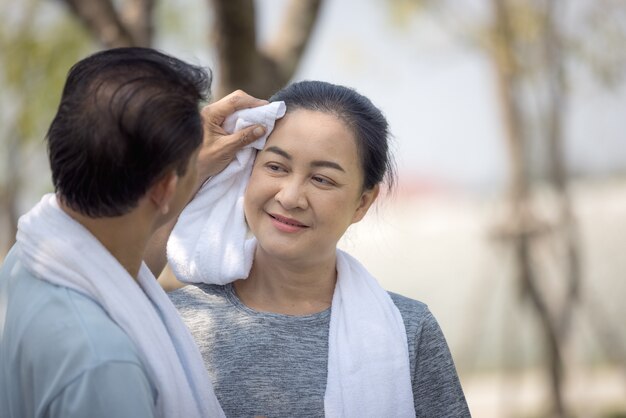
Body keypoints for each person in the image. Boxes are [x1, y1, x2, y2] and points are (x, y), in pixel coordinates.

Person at [158, 80, 472, 417]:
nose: (290, 197)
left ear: (362, 203)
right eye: (276, 167)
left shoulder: (409, 331)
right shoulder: (177, 321)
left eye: (322, 178)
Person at [0, 47, 267, 418]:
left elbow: (127, 263)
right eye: (191, 160)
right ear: (163, 189)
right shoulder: (103, 367)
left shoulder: (32, 253)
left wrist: (192, 164)